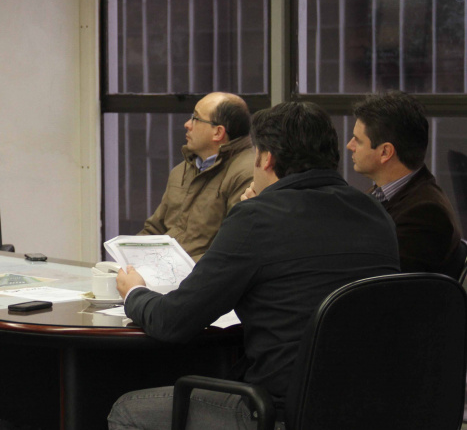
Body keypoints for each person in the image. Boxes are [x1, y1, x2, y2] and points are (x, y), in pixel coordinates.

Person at [108, 101, 400, 430]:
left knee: (127, 410)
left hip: (278, 412)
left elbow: (172, 321)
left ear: (265, 158)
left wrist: (135, 293)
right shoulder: (375, 213)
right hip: (371, 407)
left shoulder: (256, 219)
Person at [346, 90, 465, 279]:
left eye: (358, 141)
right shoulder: (382, 194)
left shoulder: (427, 213)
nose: (349, 145)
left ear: (385, 152)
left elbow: (384, 281)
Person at [138, 92, 254, 260]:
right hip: (164, 272)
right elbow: (156, 229)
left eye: (195, 119)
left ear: (218, 132)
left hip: (200, 279)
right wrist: (129, 259)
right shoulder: (182, 170)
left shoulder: (247, 173)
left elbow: (232, 250)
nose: (187, 124)